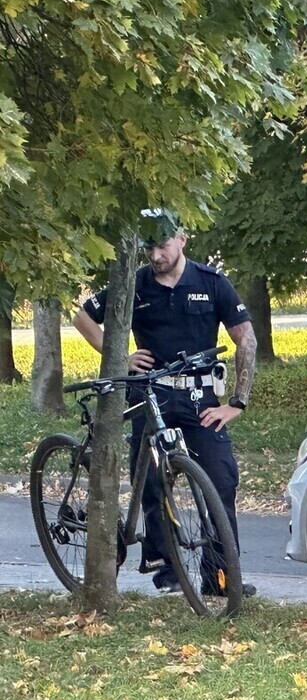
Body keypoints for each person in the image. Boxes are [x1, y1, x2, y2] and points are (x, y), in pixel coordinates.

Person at [72, 208, 258, 597]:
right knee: (153, 482)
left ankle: (221, 577)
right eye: (149, 249)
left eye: (162, 246)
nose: (155, 256)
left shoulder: (211, 282)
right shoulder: (135, 284)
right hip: (150, 393)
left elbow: (245, 337)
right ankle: (167, 567)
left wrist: (237, 402)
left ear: (182, 240)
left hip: (200, 397)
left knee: (221, 479)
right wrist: (119, 356)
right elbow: (82, 318)